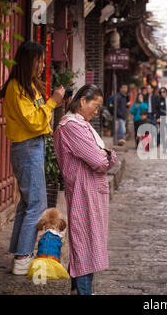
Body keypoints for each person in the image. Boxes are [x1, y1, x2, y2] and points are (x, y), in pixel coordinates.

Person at [1, 41, 65, 275]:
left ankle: (20, 252)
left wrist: (52, 103)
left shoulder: (30, 86)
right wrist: (52, 102)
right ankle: (22, 257)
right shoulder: (16, 88)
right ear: (29, 61)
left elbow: (40, 117)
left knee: (27, 204)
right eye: (39, 60)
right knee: (36, 205)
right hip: (27, 148)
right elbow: (35, 121)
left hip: (33, 146)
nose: (42, 65)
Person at [53, 84, 117, 295]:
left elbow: (102, 157)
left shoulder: (80, 125)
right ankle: (82, 291)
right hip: (83, 190)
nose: (97, 112)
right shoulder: (71, 126)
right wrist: (108, 155)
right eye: (95, 106)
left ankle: (78, 289)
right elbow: (99, 159)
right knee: (84, 243)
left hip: (90, 190)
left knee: (88, 241)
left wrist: (107, 155)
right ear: (82, 101)